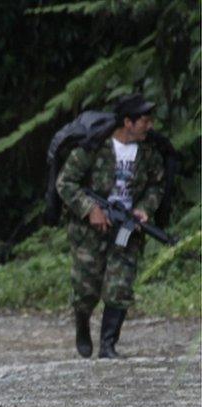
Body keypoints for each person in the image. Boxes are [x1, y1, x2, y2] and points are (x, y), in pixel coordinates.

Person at [56, 92, 164, 359]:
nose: (149, 126)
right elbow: (65, 182)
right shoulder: (94, 147)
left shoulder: (149, 152)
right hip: (89, 232)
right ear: (128, 122)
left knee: (120, 285)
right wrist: (90, 209)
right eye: (144, 120)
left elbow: (157, 185)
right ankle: (82, 326)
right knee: (86, 288)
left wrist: (144, 209)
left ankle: (108, 345)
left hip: (127, 227)